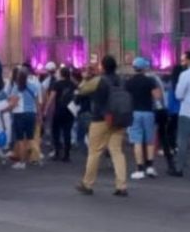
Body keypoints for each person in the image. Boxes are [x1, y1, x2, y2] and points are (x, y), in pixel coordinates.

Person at [77, 55, 130, 196]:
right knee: (117, 152)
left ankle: (87, 184)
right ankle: (121, 185)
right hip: (119, 118)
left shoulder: (98, 80)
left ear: (103, 66)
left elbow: (81, 91)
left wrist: (85, 77)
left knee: (94, 152)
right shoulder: (121, 80)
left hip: (100, 119)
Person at [125, 58, 161, 180]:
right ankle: (150, 166)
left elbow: (126, 97)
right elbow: (157, 96)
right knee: (150, 140)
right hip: (148, 112)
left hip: (134, 113)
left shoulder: (129, 82)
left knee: (137, 141)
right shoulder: (150, 81)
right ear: (145, 68)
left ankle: (140, 168)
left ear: (134, 68)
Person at [6, 67, 40, 170]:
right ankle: (37, 157)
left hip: (19, 114)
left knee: (20, 139)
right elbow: (37, 102)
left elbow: (13, 103)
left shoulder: (16, 88)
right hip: (31, 114)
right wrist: (39, 115)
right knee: (31, 138)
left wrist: (6, 109)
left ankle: (22, 162)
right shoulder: (34, 86)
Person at [48, 66, 76, 162]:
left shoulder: (57, 84)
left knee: (56, 131)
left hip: (59, 110)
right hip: (70, 111)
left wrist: (46, 109)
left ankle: (57, 153)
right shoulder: (73, 84)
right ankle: (67, 155)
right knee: (67, 132)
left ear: (61, 74)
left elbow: (52, 97)